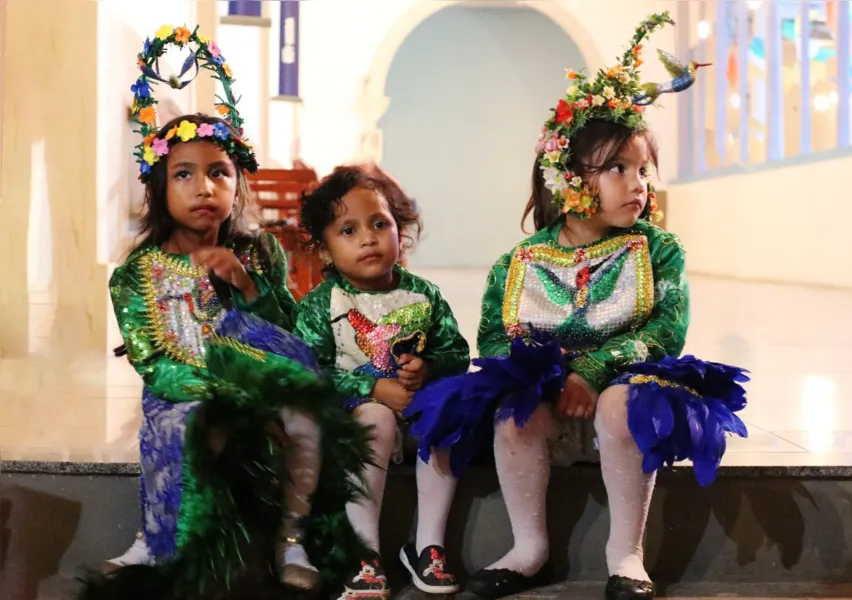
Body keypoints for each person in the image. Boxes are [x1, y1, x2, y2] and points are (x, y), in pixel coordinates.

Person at [403, 12, 749, 600]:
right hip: (551, 400)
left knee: (622, 406)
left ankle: (625, 553)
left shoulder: (656, 249)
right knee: (511, 411)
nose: (637, 183)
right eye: (617, 168)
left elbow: (666, 328)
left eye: (643, 169)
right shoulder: (521, 260)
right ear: (568, 180)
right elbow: (493, 337)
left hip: (623, 392)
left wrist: (591, 372)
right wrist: (546, 376)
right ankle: (528, 546)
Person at [83, 25, 372, 599]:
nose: (203, 187)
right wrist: (229, 395)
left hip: (263, 384)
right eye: (183, 174)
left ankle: (290, 537)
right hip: (183, 392)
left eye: (219, 172)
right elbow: (155, 364)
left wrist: (242, 283)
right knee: (188, 422)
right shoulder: (134, 274)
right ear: (159, 188)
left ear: (237, 182)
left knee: (305, 411)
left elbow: (288, 333)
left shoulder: (257, 251)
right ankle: (159, 539)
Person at [293, 166, 471, 598]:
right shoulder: (322, 305)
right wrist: (371, 388)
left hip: (415, 416)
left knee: (445, 411)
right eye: (348, 230)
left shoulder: (423, 295)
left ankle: (428, 544)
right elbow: (308, 372)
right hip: (355, 421)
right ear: (324, 249)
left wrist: (428, 367)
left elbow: (458, 353)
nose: (368, 238)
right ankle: (365, 553)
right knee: (375, 417)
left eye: (379, 224)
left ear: (401, 231)